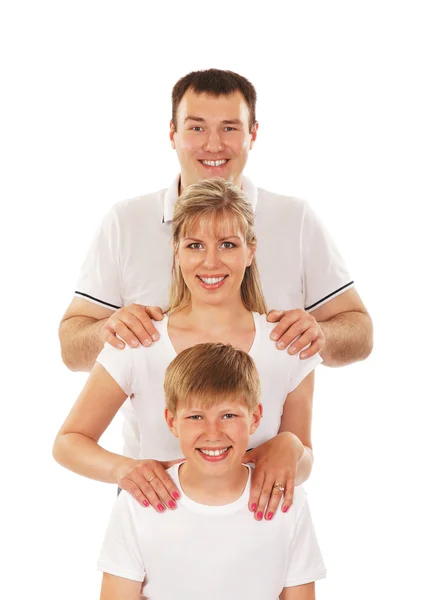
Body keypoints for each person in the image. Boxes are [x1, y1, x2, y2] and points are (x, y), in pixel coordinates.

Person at [58, 68, 372, 502]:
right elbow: (71, 352)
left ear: (253, 134)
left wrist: (318, 335)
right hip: (155, 499)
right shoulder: (125, 223)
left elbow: (358, 333)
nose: (212, 144)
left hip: (261, 505)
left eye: (229, 127)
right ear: (172, 133)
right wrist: (112, 331)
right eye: (196, 127)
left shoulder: (296, 221)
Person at [53, 178, 322, 519]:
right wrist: (123, 470)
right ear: (176, 250)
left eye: (227, 244)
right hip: (158, 537)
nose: (211, 262)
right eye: (195, 245)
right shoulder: (140, 342)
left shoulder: (287, 343)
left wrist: (292, 447)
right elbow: (69, 441)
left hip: (261, 540)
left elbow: (304, 461)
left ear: (250, 251)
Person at [98, 343, 326, 600]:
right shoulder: (138, 502)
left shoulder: (286, 500)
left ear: (255, 417)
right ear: (172, 422)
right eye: (196, 417)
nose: (213, 433)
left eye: (228, 415)